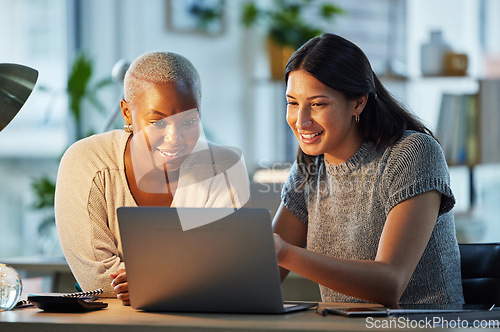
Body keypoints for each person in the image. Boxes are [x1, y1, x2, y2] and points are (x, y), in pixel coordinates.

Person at [272, 34, 463, 306]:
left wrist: (286, 253)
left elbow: (389, 284)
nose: (300, 120)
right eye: (292, 103)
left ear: (358, 103)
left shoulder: (412, 153)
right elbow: (264, 272)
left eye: (317, 104)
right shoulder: (310, 166)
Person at [55, 52, 250, 305]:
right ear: (127, 113)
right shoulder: (87, 162)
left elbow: (231, 274)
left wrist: (151, 280)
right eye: (158, 122)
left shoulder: (222, 166)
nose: (175, 138)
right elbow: (101, 282)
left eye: (189, 120)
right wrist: (190, 275)